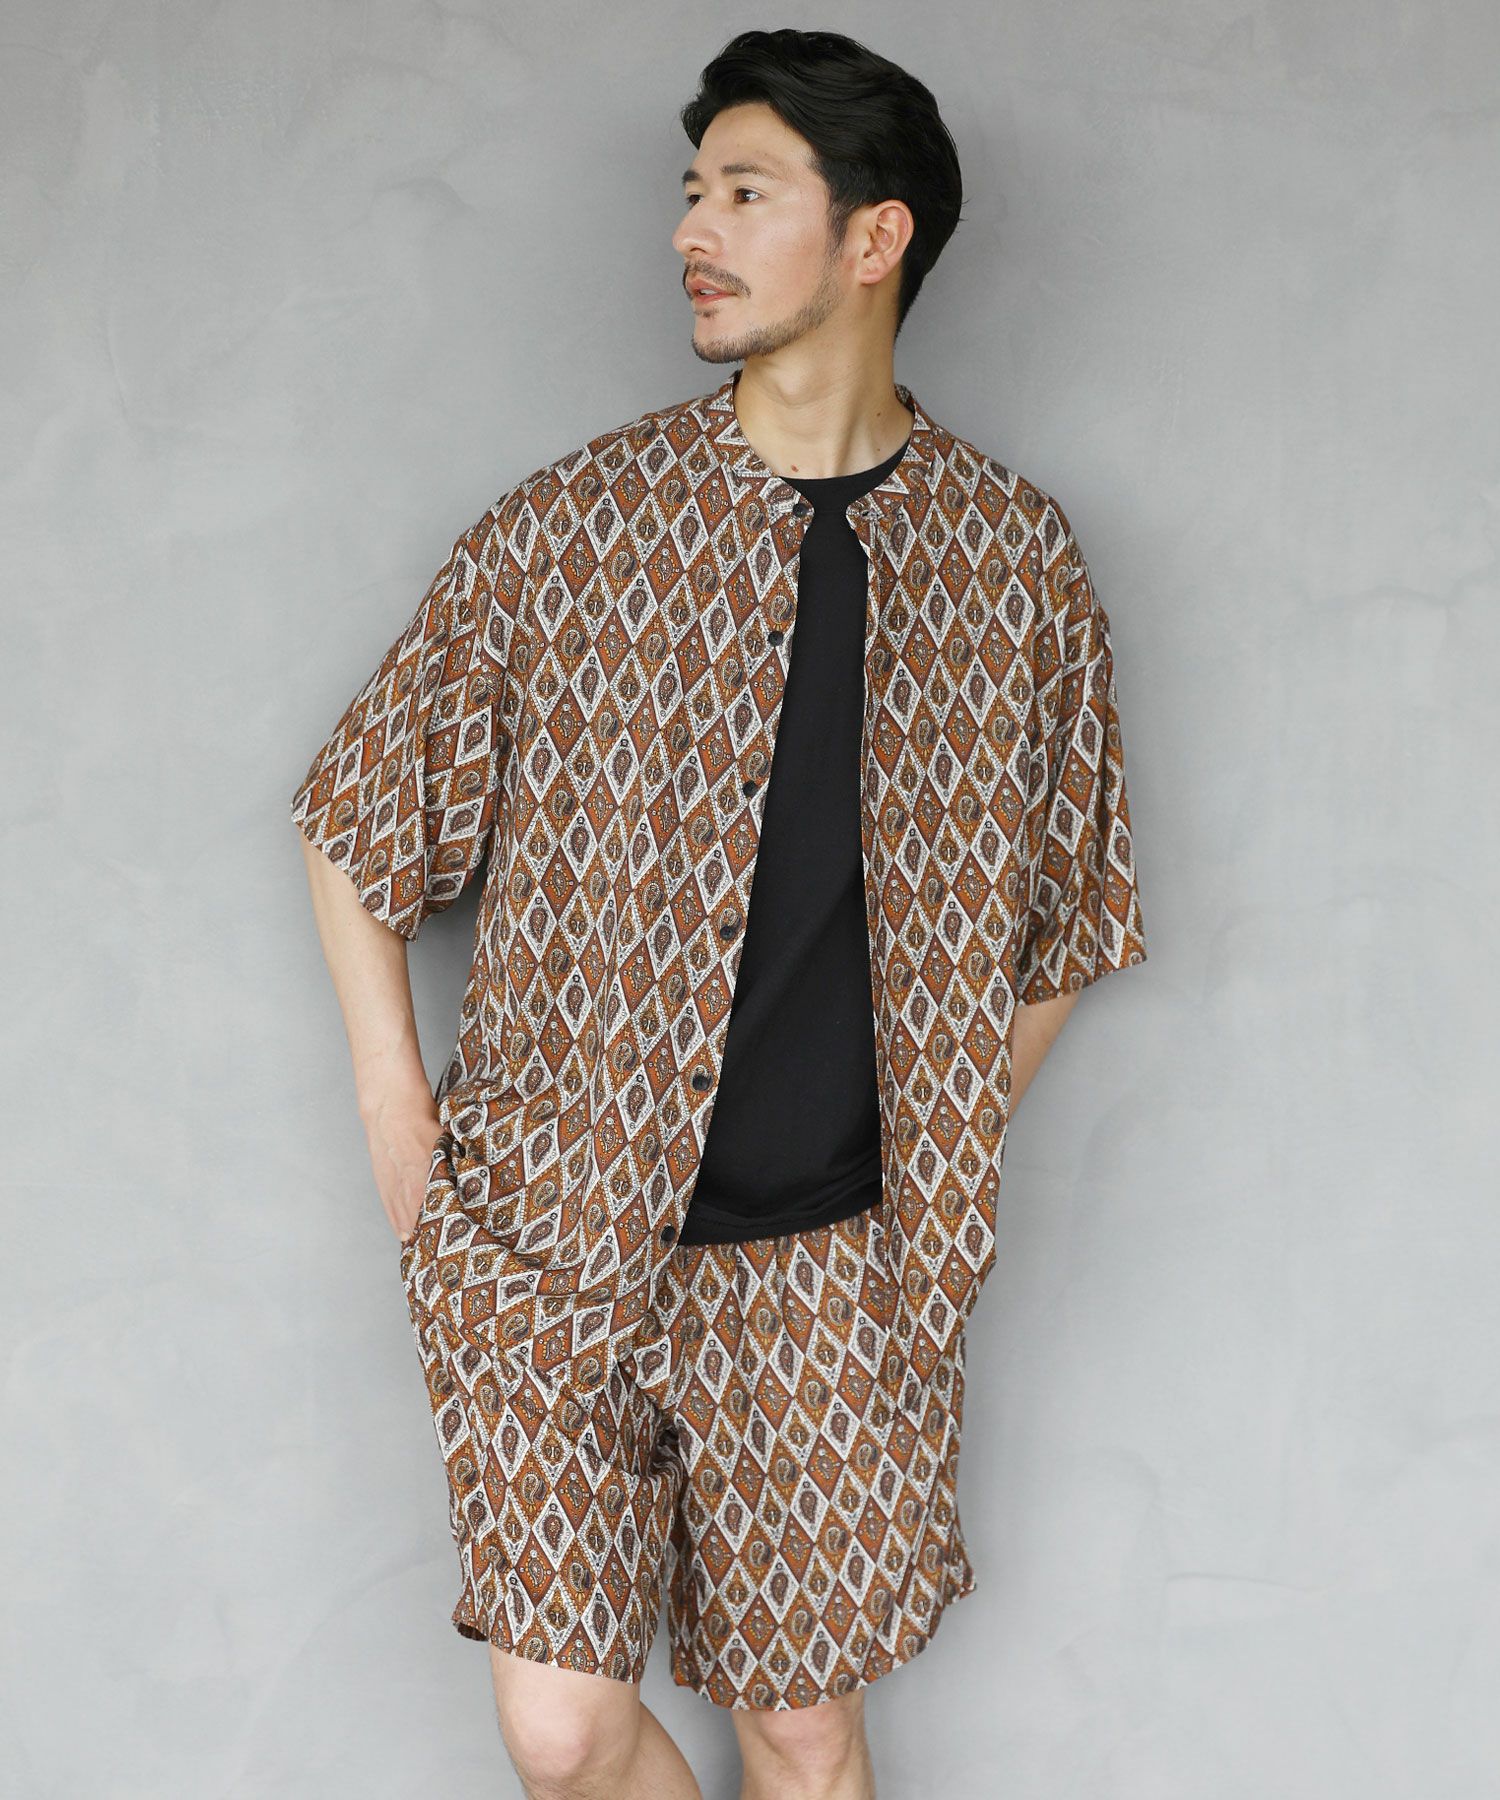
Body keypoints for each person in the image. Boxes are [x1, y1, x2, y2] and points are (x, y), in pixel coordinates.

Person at [290, 27, 1149, 1800]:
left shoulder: (1013, 563)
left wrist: (937, 1135)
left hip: (834, 1269)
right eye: (692, 192)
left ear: (873, 237)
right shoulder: (576, 530)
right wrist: (396, 1113)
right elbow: (359, 812)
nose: (693, 228)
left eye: (745, 193)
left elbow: (1074, 917)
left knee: (805, 1732)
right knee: (560, 1735)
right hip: (547, 1234)